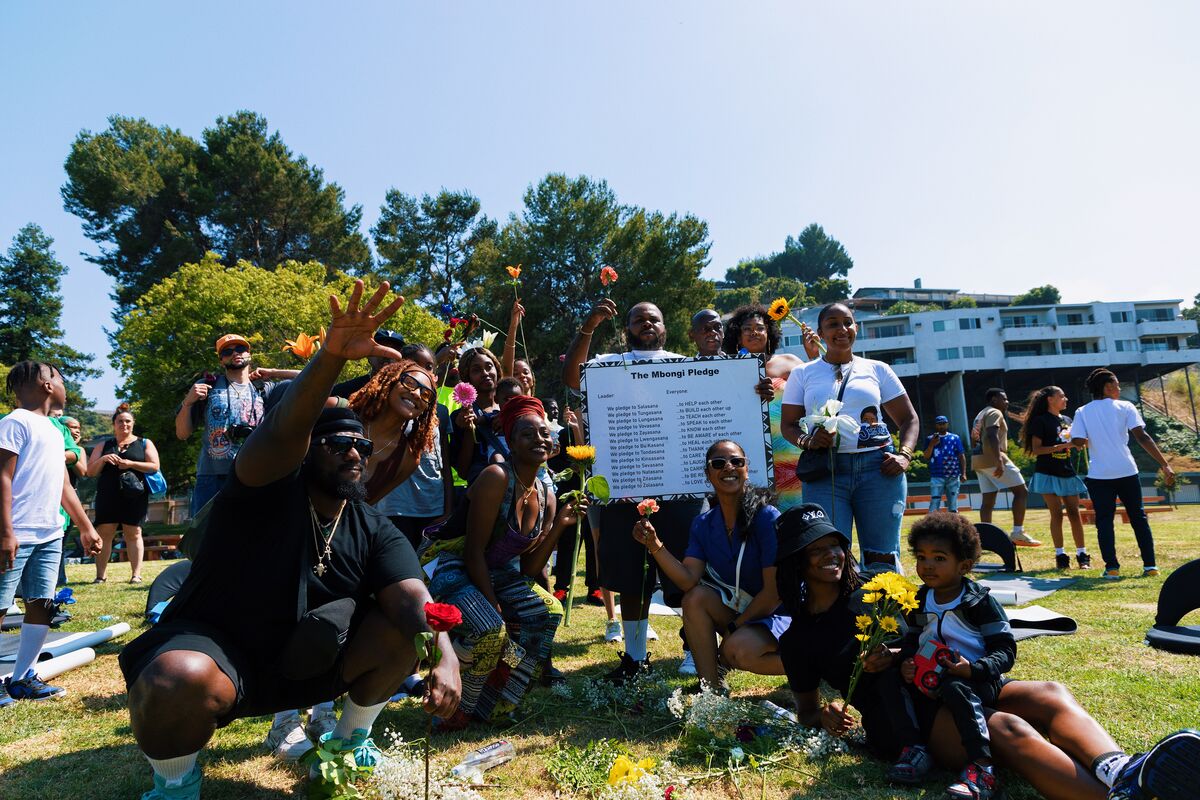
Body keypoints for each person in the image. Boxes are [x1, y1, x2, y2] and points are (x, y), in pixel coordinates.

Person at [118, 282, 460, 799]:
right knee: (175, 678)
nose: (355, 452)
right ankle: (175, 782)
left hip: (309, 662)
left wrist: (444, 652)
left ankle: (347, 741)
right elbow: (282, 430)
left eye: (362, 445)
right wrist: (329, 357)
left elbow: (411, 594)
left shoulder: (370, 524)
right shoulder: (262, 486)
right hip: (221, 653)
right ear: (306, 451)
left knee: (403, 627)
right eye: (338, 442)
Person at [775, 501, 1200, 800]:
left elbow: (925, 629)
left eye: (834, 543)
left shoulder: (876, 587)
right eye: (815, 549)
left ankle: (1118, 768)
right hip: (906, 715)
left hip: (953, 678)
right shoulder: (799, 638)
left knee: (1049, 692)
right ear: (796, 561)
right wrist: (829, 716)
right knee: (1008, 730)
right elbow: (809, 712)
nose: (830, 554)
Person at [562, 299, 706, 682]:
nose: (646, 323)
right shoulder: (608, 365)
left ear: (665, 327)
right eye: (638, 319)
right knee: (630, 577)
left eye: (653, 318)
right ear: (626, 329)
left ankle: (694, 651)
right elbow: (572, 378)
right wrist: (589, 324)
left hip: (681, 489)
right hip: (623, 488)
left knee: (687, 572)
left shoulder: (684, 364)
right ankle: (635, 656)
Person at [423, 396, 584, 728]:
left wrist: (558, 527)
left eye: (544, 433)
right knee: (489, 627)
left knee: (548, 610)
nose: (539, 439)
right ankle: (459, 710)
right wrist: (492, 602)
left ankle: (497, 704)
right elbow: (472, 553)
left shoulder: (546, 494)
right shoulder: (496, 477)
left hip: (499, 572)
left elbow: (527, 568)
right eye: (527, 434)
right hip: (454, 566)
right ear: (510, 441)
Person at [631, 440, 788, 693]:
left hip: (780, 613)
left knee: (739, 649)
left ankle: (815, 663)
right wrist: (655, 545)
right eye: (719, 463)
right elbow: (687, 581)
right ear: (708, 474)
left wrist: (734, 630)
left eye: (737, 462)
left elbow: (773, 593)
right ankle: (712, 689)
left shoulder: (767, 516)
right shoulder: (703, 523)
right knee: (695, 598)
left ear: (746, 469)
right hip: (744, 613)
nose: (728, 467)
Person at [780, 302, 919, 567]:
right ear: (820, 333)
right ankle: (840, 609)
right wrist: (808, 440)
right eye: (833, 324)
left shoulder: (877, 369)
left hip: (880, 470)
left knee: (883, 555)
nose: (842, 329)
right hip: (825, 471)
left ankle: (884, 608)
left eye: (847, 322)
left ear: (856, 328)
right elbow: (789, 424)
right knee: (828, 554)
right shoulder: (802, 373)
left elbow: (909, 419)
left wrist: (905, 456)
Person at [894, 513, 1017, 799]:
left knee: (955, 687)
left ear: (964, 565)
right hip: (931, 677)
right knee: (891, 679)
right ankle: (915, 750)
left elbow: (1006, 651)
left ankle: (982, 769)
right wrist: (907, 663)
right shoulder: (918, 599)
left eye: (939, 558)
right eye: (921, 557)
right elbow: (912, 640)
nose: (927, 566)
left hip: (977, 680)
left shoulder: (980, 602)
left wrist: (973, 669)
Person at [0, 362, 102, 707]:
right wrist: (6, 532)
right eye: (59, 379)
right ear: (46, 384)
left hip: (49, 533)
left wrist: (85, 526)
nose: (63, 386)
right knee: (0, 605)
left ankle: (22, 677)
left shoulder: (53, 430)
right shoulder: (14, 423)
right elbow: (3, 477)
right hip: (17, 532)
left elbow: (61, 483)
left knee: (41, 603)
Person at [1070, 368, 1175, 579]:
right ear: (1108, 387)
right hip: (1127, 470)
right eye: (1117, 384)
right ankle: (1150, 566)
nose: (1118, 388)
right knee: (1138, 518)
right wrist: (1164, 464)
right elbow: (1142, 437)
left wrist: (1078, 436)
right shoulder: (1126, 406)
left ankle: (1112, 568)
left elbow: (1078, 442)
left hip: (1099, 475)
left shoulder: (1082, 411)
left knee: (1104, 521)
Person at [175, 334, 297, 515]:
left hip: (255, 473)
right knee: (207, 537)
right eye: (227, 351)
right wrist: (188, 402)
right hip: (213, 477)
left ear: (249, 354)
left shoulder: (265, 387)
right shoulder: (207, 386)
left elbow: (311, 376)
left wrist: (273, 372)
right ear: (221, 361)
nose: (235, 353)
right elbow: (182, 434)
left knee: (253, 536)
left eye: (240, 349)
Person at [721, 303, 817, 513]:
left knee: (798, 518)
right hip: (750, 456)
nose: (754, 332)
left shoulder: (790, 361)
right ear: (738, 336)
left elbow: (817, 394)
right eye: (747, 329)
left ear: (769, 333)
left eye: (760, 328)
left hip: (792, 452)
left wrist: (813, 357)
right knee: (759, 520)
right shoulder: (727, 368)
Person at [370, 344, 455, 550]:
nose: (424, 371)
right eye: (416, 364)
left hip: (432, 507)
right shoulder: (388, 404)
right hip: (394, 507)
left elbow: (444, 464)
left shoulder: (440, 413)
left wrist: (447, 508)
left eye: (429, 367)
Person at [86, 403, 161, 584]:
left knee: (133, 532)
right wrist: (104, 459)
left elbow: (154, 466)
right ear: (114, 424)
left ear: (133, 423)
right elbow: (91, 471)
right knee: (105, 532)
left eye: (128, 421)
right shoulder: (104, 444)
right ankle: (100, 576)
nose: (124, 425)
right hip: (108, 494)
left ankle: (136, 575)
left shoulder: (144, 443)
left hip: (134, 495)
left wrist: (131, 464)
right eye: (120, 421)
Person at [347, 360, 439, 505]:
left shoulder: (407, 460)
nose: (416, 394)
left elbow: (365, 508)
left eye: (426, 394)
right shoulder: (340, 410)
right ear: (391, 382)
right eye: (409, 382)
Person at [1020, 387, 1092, 570]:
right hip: (1047, 473)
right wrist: (1063, 446)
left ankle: (1082, 555)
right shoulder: (1040, 421)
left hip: (1067, 472)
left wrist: (1078, 444)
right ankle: (1060, 555)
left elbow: (1075, 441)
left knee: (1075, 514)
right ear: (1050, 399)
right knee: (1057, 514)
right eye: (1061, 396)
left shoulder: (1068, 420)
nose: (1065, 398)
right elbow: (1037, 449)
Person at [970, 389, 1041, 547]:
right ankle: (1018, 532)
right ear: (994, 399)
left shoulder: (981, 413)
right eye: (1004, 399)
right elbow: (991, 435)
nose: (1007, 402)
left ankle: (985, 538)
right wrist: (999, 460)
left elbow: (974, 438)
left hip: (978, 459)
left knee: (988, 500)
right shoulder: (995, 412)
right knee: (1021, 491)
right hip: (993, 457)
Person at [449, 346, 504, 485]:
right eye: (476, 370)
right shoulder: (459, 417)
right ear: (467, 378)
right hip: (482, 490)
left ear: (497, 369)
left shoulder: (510, 407)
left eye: (489, 366)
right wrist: (469, 430)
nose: (485, 373)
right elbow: (463, 472)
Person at [330, 329, 406, 399]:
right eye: (380, 349)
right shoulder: (343, 390)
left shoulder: (407, 394)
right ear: (368, 355)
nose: (386, 355)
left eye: (394, 350)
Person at [924, 415, 967, 513]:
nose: (941, 426)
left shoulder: (955, 438)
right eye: (939, 424)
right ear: (936, 425)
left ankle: (953, 524)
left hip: (953, 475)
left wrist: (963, 473)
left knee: (953, 503)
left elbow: (961, 456)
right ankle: (932, 524)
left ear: (947, 424)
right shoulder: (930, 438)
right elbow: (926, 456)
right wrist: (932, 444)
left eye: (943, 424)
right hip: (936, 475)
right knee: (935, 501)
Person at [502, 301, 537, 395]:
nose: (522, 376)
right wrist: (513, 325)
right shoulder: (512, 404)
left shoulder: (541, 409)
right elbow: (506, 368)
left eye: (526, 372)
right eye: (516, 374)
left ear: (533, 379)